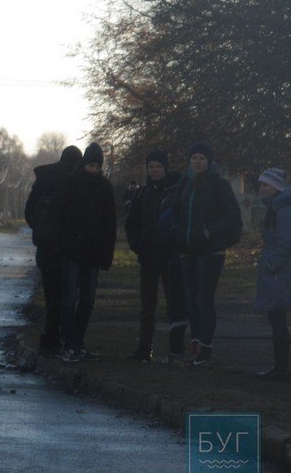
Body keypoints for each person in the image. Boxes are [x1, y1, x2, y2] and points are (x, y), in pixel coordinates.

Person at [173, 142, 242, 366]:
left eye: (201, 158)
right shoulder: (185, 183)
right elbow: (176, 211)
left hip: (210, 250)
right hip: (187, 248)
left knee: (204, 298)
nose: (197, 162)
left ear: (209, 161)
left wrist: (211, 229)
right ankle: (195, 343)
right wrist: (177, 231)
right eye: (194, 158)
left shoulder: (219, 185)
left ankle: (205, 348)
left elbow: (232, 216)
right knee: (191, 299)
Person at [51, 142, 117, 362]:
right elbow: (57, 215)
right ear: (84, 163)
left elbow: (110, 223)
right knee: (70, 297)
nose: (93, 169)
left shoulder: (104, 187)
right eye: (90, 165)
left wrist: (107, 253)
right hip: (73, 250)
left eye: (96, 166)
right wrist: (63, 242)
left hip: (93, 251)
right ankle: (70, 343)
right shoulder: (69, 183)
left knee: (87, 299)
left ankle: (77, 342)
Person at [124, 150, 186, 362]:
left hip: (170, 257)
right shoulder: (142, 193)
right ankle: (144, 349)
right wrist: (137, 245)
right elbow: (131, 223)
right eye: (151, 167)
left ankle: (175, 349)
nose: (155, 170)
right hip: (148, 256)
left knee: (174, 304)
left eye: (158, 167)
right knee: (147, 305)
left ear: (165, 168)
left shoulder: (176, 192)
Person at [24, 144, 84, 355]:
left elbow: (29, 212)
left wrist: (41, 231)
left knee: (52, 295)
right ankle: (68, 337)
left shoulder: (44, 178)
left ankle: (50, 337)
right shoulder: (77, 180)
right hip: (70, 248)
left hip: (46, 246)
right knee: (70, 294)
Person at [254, 168, 291, 382]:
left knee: (277, 317)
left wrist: (272, 264)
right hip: (278, 269)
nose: (262, 188)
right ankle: (280, 366)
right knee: (276, 317)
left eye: (265, 184)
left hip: (280, 271)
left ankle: (280, 367)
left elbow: (286, 242)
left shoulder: (282, 209)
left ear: (276, 186)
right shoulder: (276, 207)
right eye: (261, 184)